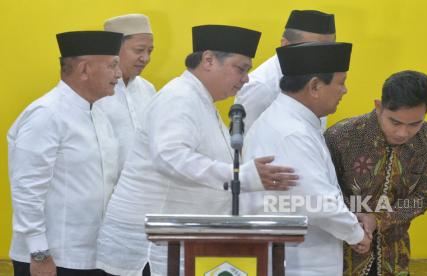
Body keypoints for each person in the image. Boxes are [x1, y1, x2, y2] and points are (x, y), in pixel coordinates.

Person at [96, 24, 298, 276]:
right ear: (209, 60)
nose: (246, 78)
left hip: (178, 243)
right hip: (148, 250)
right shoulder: (180, 97)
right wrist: (240, 176)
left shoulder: (200, 100)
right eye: (241, 68)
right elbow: (170, 157)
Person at [243, 42, 372, 275]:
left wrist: (350, 215)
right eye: (340, 83)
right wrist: (356, 233)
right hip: (299, 263)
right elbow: (318, 202)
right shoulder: (292, 132)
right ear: (314, 86)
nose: (345, 90)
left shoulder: (292, 121)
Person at [8, 31, 123, 276]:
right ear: (84, 69)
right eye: (112, 65)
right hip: (51, 260)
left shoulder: (98, 115)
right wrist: (39, 253)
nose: (118, 74)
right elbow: (26, 188)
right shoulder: (46, 114)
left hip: (93, 256)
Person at [324, 70, 427, 275]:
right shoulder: (341, 136)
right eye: (395, 122)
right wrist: (355, 221)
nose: (403, 133)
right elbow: (324, 194)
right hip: (341, 253)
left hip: (395, 257)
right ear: (379, 106)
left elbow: (424, 196)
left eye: (414, 124)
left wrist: (379, 219)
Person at [235, 10, 336, 132]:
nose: (321, 57)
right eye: (312, 49)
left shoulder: (320, 78)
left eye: (329, 49)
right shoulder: (260, 87)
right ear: (285, 45)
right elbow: (244, 146)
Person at [96, 14, 157, 171]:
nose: (146, 58)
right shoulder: (95, 92)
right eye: (139, 50)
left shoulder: (148, 89)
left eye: (150, 51)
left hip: (142, 187)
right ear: (114, 48)